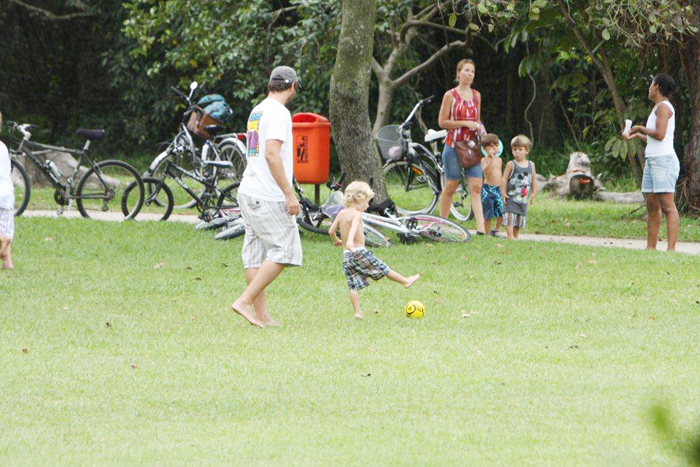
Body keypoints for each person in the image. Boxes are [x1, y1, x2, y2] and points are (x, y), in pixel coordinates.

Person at [231, 66, 302, 328]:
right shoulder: (280, 113)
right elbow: (272, 154)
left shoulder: (258, 110)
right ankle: (245, 302)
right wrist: (288, 193)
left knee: (255, 256)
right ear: (292, 86)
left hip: (248, 189)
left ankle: (261, 316)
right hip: (267, 194)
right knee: (285, 251)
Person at [329, 181, 420, 320]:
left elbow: (330, 231)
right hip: (358, 251)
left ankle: (358, 312)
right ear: (359, 199)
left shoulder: (341, 213)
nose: (367, 206)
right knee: (382, 268)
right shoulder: (357, 214)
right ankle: (405, 281)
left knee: (352, 284)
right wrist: (349, 242)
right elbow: (353, 228)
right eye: (367, 202)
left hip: (346, 255)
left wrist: (336, 240)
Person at [622, 73, 679, 251]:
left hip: (663, 161)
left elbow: (660, 135)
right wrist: (639, 135)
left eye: (651, 84)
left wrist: (640, 127)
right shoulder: (657, 108)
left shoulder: (663, 107)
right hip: (653, 160)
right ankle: (650, 248)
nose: (649, 88)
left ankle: (671, 250)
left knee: (667, 205)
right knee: (652, 205)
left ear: (657, 87)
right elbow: (658, 137)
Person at [438, 58, 486, 234]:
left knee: (476, 186)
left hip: (472, 146)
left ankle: (481, 228)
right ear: (458, 73)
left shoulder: (476, 95)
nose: (469, 74)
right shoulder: (450, 95)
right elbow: (442, 122)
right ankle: (442, 223)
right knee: (451, 186)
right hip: (453, 145)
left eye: (472, 71)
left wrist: (482, 132)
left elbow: (477, 120)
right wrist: (466, 123)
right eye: (466, 70)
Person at [501, 135, 538, 240]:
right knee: (510, 216)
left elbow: (534, 179)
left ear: (527, 151)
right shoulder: (511, 164)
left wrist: (534, 192)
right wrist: (503, 192)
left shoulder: (531, 165)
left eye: (520, 149)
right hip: (511, 197)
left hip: (523, 198)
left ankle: (515, 236)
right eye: (514, 149)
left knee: (519, 217)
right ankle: (510, 236)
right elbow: (504, 179)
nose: (517, 152)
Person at [480, 133, 503, 237]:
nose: (494, 148)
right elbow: (486, 171)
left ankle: (496, 229)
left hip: (499, 188)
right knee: (488, 213)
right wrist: (490, 159)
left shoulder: (500, 160)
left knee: (501, 211)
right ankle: (487, 232)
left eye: (496, 145)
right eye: (491, 146)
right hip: (488, 189)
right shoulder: (484, 160)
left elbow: (500, 174)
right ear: (485, 148)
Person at [0, 111, 15, 270]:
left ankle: (1, 239)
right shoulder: (3, 146)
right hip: (6, 195)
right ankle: (7, 262)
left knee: (2, 236)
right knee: (4, 229)